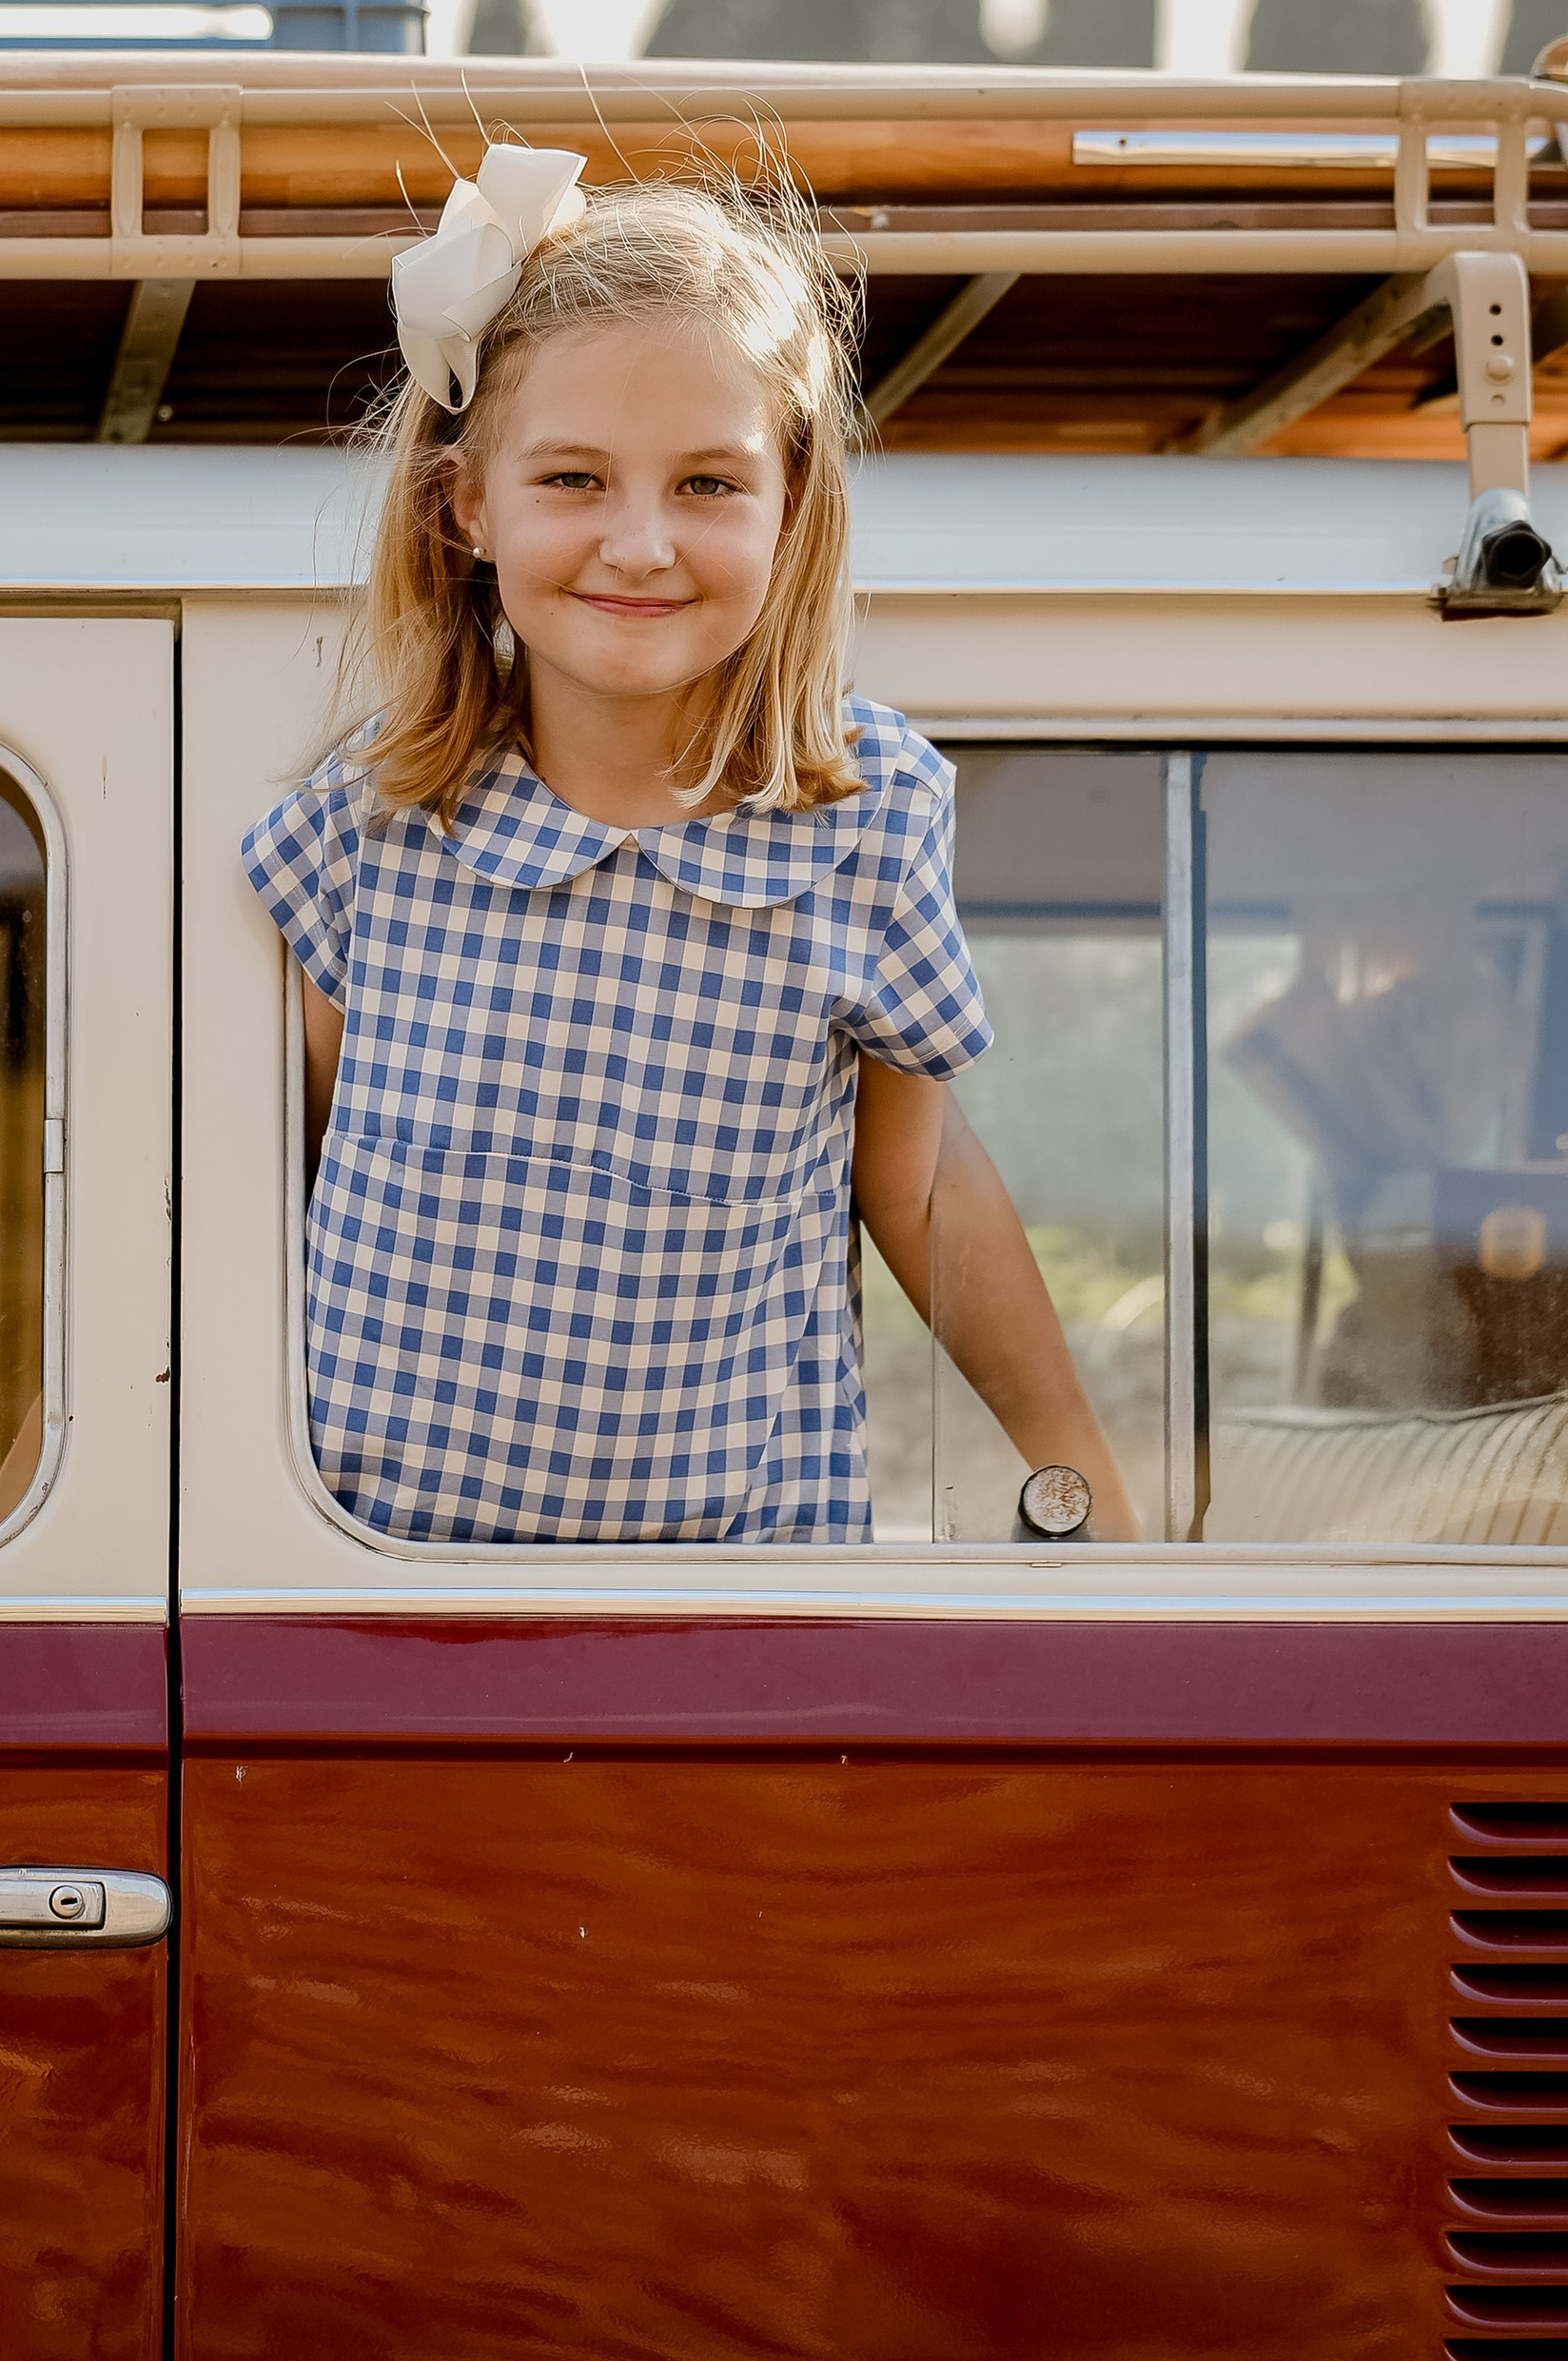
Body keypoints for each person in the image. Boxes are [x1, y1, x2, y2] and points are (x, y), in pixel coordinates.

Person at [241, 145, 1135, 1545]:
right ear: (468, 504)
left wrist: (1082, 1481)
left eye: (710, 484)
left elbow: (916, 1182)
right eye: (577, 478)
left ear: (793, 505)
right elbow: (256, 1187)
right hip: (375, 1596)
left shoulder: (866, 819)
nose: (642, 543)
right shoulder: (374, 829)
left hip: (735, 1621)